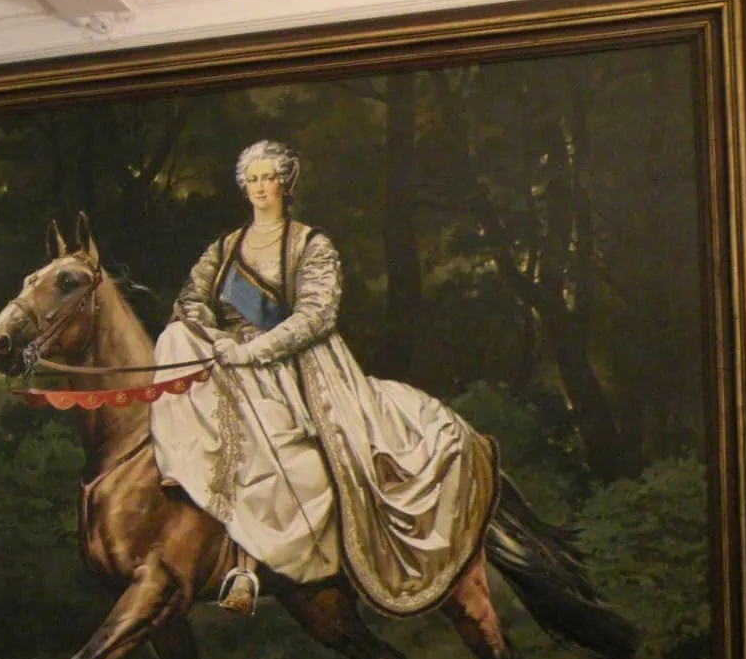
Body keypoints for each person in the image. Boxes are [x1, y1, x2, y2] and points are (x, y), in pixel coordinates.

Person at [150, 139, 497, 617]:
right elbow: (191, 300)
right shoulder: (225, 248)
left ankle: (253, 566)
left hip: (296, 362)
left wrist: (252, 351)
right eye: (252, 179)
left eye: (269, 178)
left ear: (285, 183)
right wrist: (213, 337)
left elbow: (316, 315)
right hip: (229, 357)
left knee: (278, 443)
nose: (260, 187)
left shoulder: (311, 245)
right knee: (175, 339)